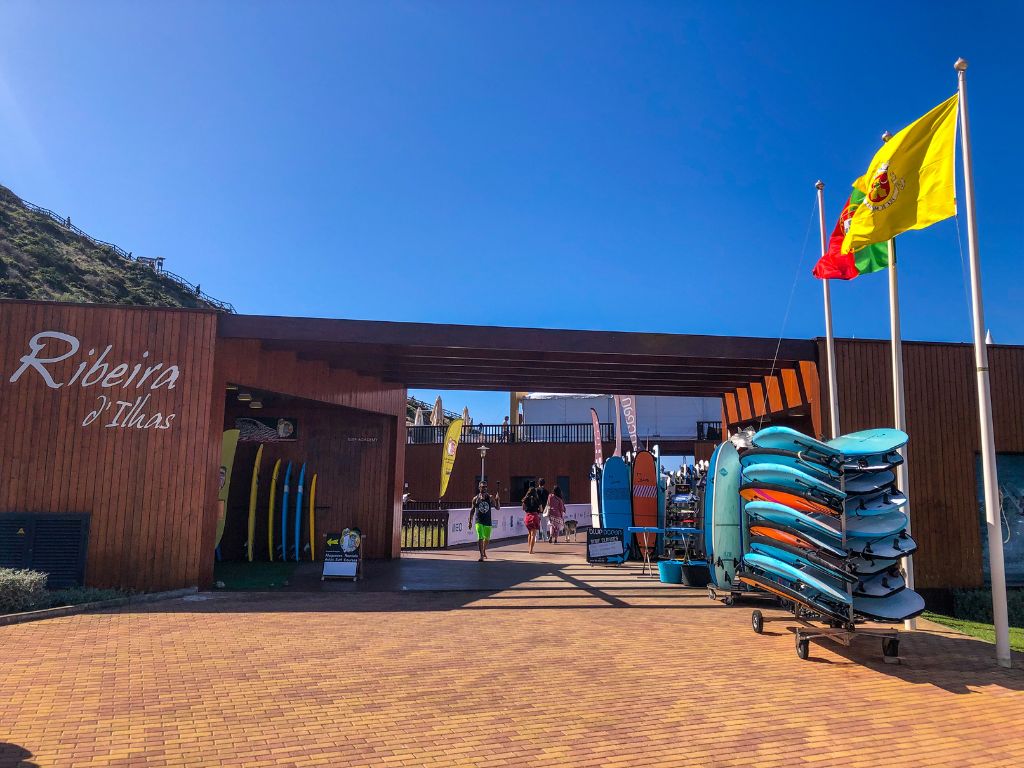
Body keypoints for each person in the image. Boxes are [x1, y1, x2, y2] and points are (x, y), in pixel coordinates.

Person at [469, 481, 499, 561]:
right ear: (479, 488)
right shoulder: (475, 499)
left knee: (487, 539)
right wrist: (470, 521)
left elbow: (497, 508)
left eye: (485, 487)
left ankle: (484, 550)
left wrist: (497, 500)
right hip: (478, 521)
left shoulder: (490, 497)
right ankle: (481, 555)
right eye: (482, 487)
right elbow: (472, 510)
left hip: (487, 521)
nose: (484, 488)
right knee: (480, 537)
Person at [522, 486, 542, 554]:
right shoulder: (537, 499)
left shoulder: (525, 499)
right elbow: (541, 509)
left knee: (529, 534)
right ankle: (531, 550)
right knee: (533, 534)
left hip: (527, 516)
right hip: (534, 516)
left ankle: (529, 548)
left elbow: (523, 508)